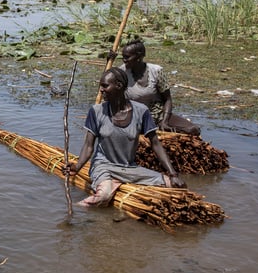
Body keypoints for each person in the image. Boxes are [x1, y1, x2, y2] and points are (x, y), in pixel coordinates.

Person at [64, 67, 186, 207]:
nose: (101, 90)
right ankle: (76, 207)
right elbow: (88, 145)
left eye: (105, 86)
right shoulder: (96, 111)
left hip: (128, 168)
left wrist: (173, 174)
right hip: (103, 167)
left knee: (177, 187)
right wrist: (77, 167)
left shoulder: (141, 111)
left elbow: (156, 144)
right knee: (103, 197)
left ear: (119, 86)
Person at [119, 39, 201, 136]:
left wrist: (164, 121)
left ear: (138, 57)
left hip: (158, 115)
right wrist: (108, 61)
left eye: (127, 57)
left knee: (193, 130)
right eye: (123, 57)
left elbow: (167, 99)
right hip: (134, 116)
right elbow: (106, 87)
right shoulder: (122, 72)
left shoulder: (156, 71)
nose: (124, 60)